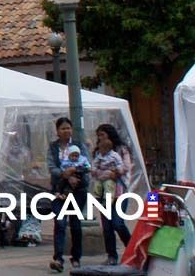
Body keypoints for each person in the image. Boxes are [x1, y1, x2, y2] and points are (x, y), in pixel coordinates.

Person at [45, 117, 87, 273]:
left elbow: (86, 165)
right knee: (60, 223)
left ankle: (76, 257)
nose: (66, 131)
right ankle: (58, 258)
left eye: (68, 128)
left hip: (77, 190)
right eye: (63, 128)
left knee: (75, 224)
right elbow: (51, 167)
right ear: (57, 131)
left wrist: (75, 173)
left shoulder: (79, 146)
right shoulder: (53, 148)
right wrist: (64, 174)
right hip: (59, 190)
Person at [91, 124, 133, 266]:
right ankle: (112, 255)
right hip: (103, 190)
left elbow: (126, 166)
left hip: (119, 189)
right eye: (99, 136)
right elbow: (94, 168)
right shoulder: (99, 152)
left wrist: (115, 172)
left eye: (103, 135)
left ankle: (132, 250)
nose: (100, 138)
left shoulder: (121, 150)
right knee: (107, 225)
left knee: (118, 223)